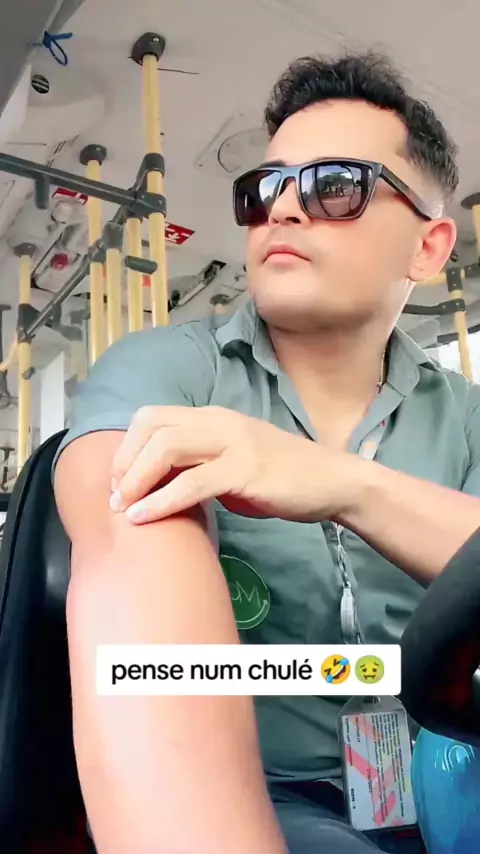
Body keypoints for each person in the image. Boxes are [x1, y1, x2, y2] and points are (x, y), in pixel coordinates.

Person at [53, 49, 480, 854]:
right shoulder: (168, 373)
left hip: (450, 771)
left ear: (428, 248)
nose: (282, 209)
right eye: (264, 188)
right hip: (268, 800)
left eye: (334, 185)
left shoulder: (466, 417)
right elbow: (130, 559)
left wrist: (344, 485)